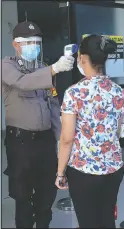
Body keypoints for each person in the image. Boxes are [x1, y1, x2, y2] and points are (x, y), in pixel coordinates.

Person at [1, 21, 74, 228]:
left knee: (46, 193)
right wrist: (54, 68)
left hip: (44, 142)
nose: (35, 45)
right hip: (21, 142)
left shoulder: (43, 69)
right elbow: (23, 82)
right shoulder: (7, 66)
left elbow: (52, 104)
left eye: (37, 42)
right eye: (29, 41)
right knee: (22, 195)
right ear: (16, 44)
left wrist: (61, 139)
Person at [55, 34, 124, 228]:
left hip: (83, 171)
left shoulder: (74, 93)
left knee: (88, 222)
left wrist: (60, 173)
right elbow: (118, 131)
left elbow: (67, 138)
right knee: (106, 219)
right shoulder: (118, 91)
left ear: (83, 59)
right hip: (114, 168)